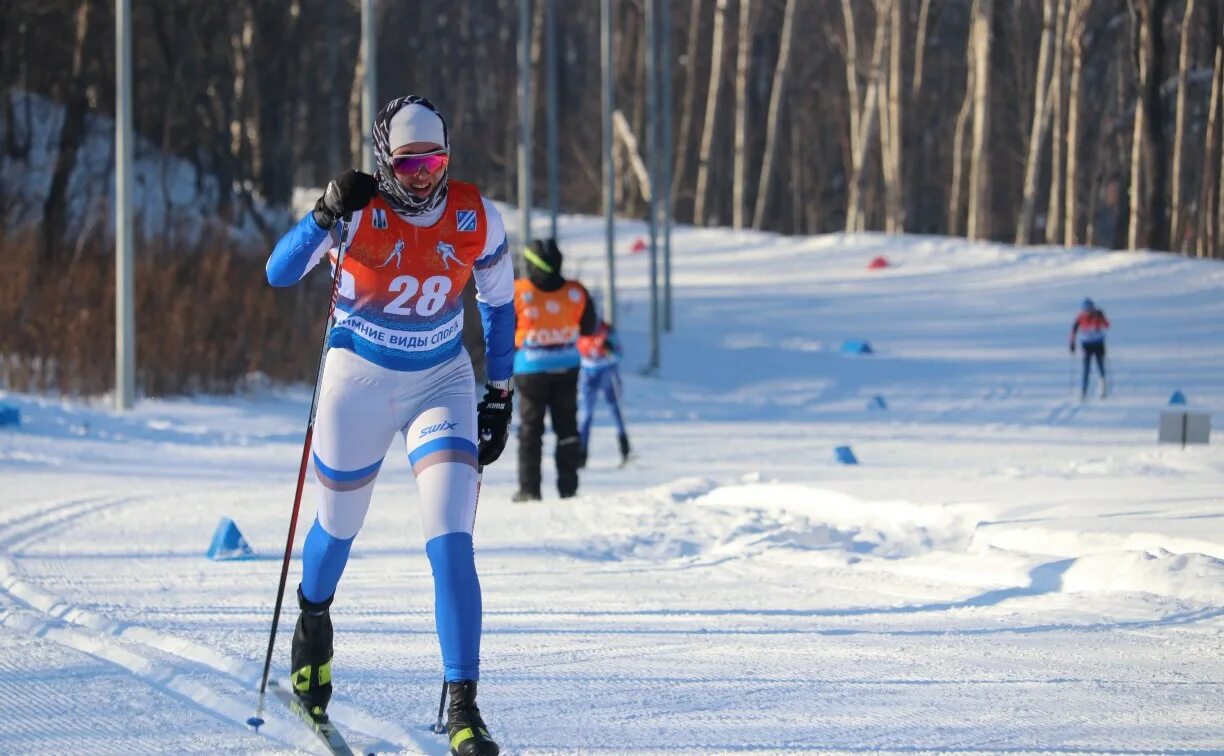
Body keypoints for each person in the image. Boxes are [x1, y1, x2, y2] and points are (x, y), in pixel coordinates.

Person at [265, 95, 513, 756]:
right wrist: (322, 213)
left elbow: (500, 304)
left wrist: (500, 391)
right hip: (359, 381)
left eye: (433, 158)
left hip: (441, 383)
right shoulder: (358, 209)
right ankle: (313, 617)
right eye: (407, 163)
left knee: (451, 539)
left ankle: (464, 705)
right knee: (338, 528)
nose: (423, 174)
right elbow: (279, 271)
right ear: (385, 160)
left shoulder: (474, 216)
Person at [511, 238, 597, 501]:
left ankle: (529, 489)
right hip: (567, 367)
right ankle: (568, 489)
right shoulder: (576, 292)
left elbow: (501, 329)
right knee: (567, 428)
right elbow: (589, 328)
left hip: (530, 369)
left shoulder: (517, 291)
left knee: (531, 429)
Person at [577, 320, 631, 467]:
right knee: (586, 414)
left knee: (615, 409)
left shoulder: (607, 331)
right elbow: (574, 353)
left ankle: (624, 448)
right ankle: (582, 453)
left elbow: (618, 354)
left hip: (606, 371)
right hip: (588, 374)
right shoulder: (579, 330)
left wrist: (610, 350)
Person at [1070, 298, 1110, 400]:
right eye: (1086, 310)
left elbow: (1107, 325)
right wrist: (1072, 343)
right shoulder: (1080, 317)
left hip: (1098, 344)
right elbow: (1074, 330)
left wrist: (1102, 317)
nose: (1088, 312)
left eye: (1089, 309)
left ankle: (1103, 388)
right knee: (1086, 369)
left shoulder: (1098, 315)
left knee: (1100, 366)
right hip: (1086, 345)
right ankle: (1084, 391)